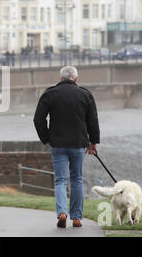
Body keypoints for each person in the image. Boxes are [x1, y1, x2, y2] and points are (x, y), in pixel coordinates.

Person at [33, 66, 99, 228]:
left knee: (60, 180)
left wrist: (46, 138)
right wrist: (93, 142)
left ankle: (62, 212)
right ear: (76, 79)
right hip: (78, 144)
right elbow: (93, 121)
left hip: (58, 144)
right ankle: (76, 217)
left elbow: (38, 119)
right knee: (76, 179)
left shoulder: (50, 94)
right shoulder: (85, 94)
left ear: (61, 78)